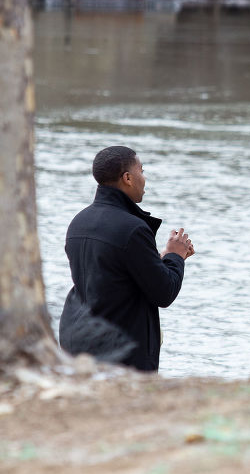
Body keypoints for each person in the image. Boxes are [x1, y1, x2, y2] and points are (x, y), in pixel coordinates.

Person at [58, 145, 194, 371]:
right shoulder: (133, 229)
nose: (145, 178)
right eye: (142, 171)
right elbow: (164, 292)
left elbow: (113, 275)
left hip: (76, 334)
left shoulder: (79, 221)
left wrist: (158, 259)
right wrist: (175, 256)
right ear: (128, 178)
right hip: (118, 347)